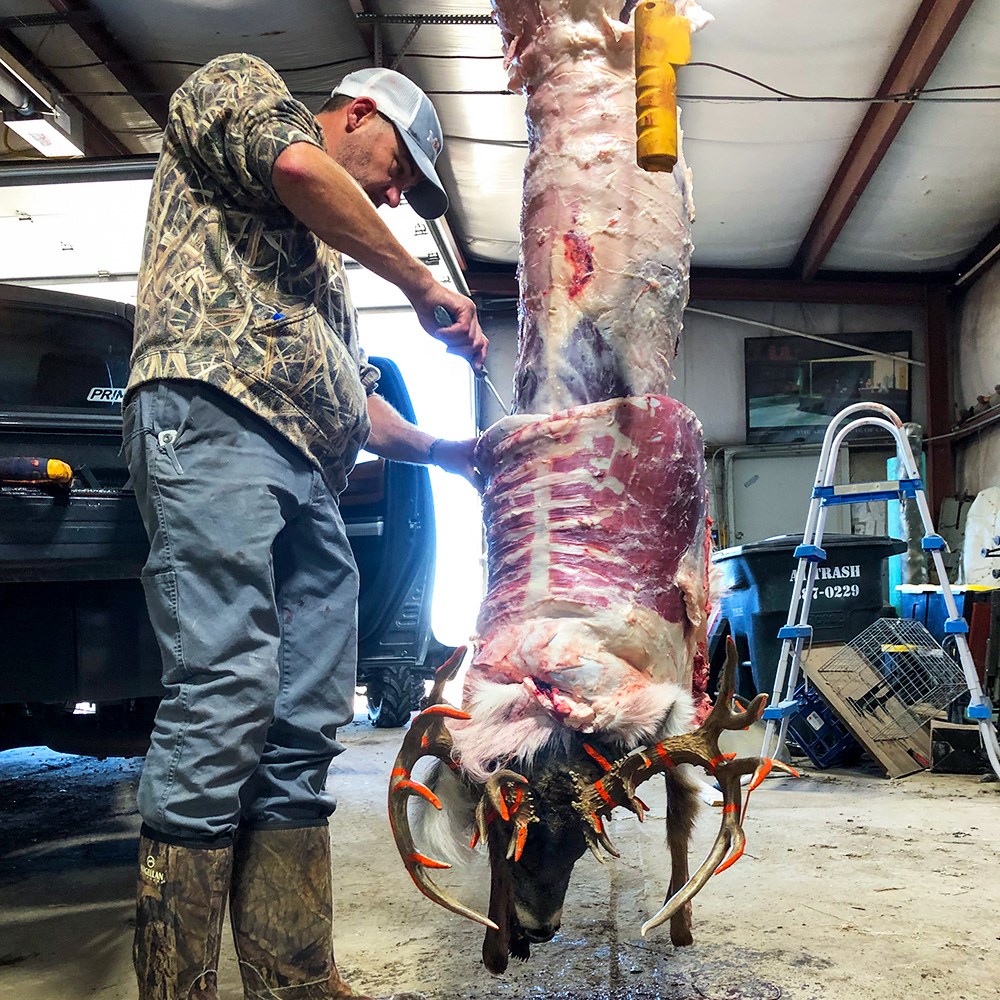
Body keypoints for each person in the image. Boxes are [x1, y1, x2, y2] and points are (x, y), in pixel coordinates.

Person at [122, 53, 487, 1000]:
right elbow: (296, 169)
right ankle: (178, 988)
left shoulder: (325, 264)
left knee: (305, 720)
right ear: (359, 113)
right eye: (400, 172)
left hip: (306, 471)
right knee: (225, 694)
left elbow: (359, 407)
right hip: (213, 420)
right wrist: (417, 282)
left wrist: (452, 454)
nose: (398, 200)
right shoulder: (240, 88)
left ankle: (293, 977)